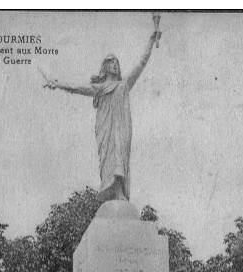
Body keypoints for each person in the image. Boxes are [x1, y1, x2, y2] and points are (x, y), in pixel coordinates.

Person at [44, 31, 161, 202]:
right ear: (105, 67)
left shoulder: (124, 84)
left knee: (119, 156)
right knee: (109, 158)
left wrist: (151, 41)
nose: (115, 65)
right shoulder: (99, 88)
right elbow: (77, 88)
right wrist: (57, 84)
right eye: (111, 62)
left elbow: (141, 63)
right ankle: (111, 191)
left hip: (121, 128)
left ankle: (119, 191)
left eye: (117, 62)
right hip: (105, 129)